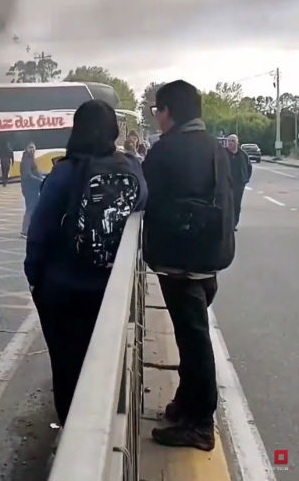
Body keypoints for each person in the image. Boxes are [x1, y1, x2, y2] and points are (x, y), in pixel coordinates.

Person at [24, 100, 146, 424]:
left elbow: (39, 233)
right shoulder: (131, 168)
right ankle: (102, 430)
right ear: (115, 132)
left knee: (66, 367)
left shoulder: (64, 172)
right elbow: (143, 204)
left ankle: (70, 438)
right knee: (104, 364)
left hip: (62, 290)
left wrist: (35, 279)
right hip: (112, 289)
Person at [142, 80, 235, 451]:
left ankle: (200, 424)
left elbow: (142, 195)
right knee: (190, 337)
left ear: (168, 112)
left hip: (180, 263)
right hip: (210, 260)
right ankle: (185, 405)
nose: (157, 118)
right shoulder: (215, 148)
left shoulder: (166, 151)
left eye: (157, 111)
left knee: (194, 341)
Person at [226, 134, 252, 230]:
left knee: (236, 204)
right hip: (225, 183)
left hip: (238, 184)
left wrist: (245, 179)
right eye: (229, 141)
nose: (231, 143)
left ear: (237, 143)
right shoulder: (222, 154)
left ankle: (234, 224)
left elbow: (249, 167)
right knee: (226, 204)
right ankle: (226, 223)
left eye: (233, 141)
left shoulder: (243, 155)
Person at [19, 142, 43, 237]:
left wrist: (43, 176)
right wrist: (40, 180)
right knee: (31, 208)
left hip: (32, 187)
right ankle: (25, 231)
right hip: (29, 188)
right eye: (30, 148)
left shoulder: (30, 159)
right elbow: (28, 174)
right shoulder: (26, 160)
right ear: (26, 149)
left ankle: (31, 229)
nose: (32, 150)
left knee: (33, 208)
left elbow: (36, 172)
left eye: (33, 148)